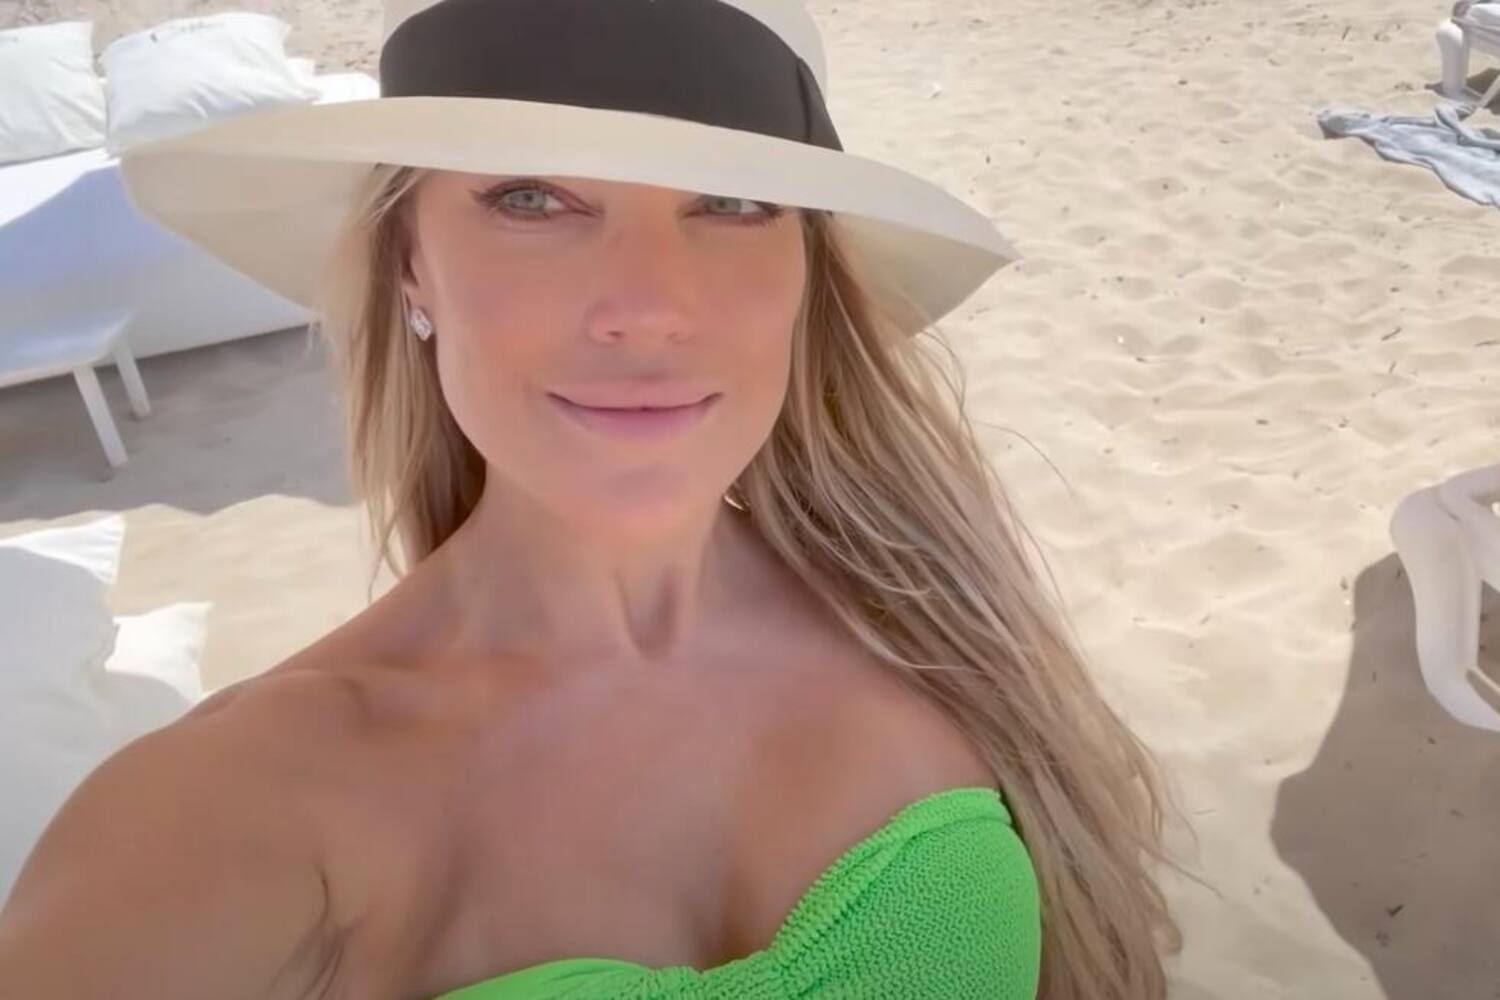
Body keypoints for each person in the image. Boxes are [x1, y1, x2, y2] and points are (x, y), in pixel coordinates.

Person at [0, 0, 1181, 997]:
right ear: (410, 264)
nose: (650, 307)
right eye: (531, 198)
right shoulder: (215, 819)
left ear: (804, 266)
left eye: (731, 201)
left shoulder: (939, 622)